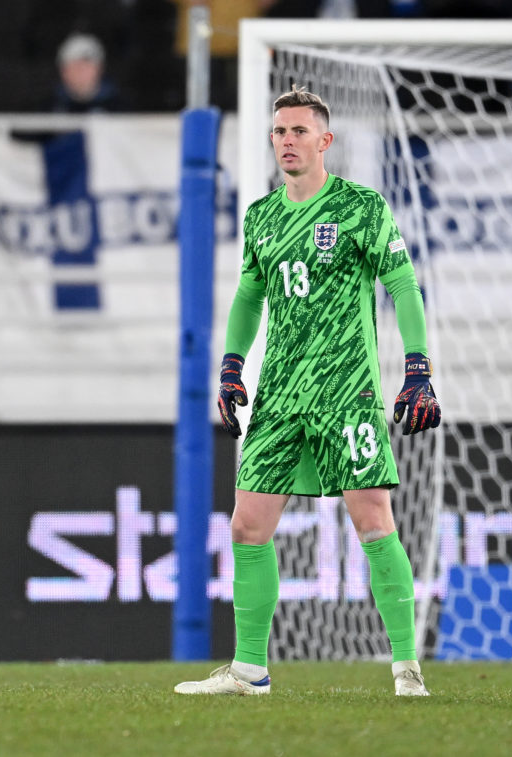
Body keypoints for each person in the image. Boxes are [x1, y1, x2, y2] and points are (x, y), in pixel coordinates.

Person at [174, 86, 441, 697]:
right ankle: (249, 671)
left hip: (346, 390)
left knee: (373, 520)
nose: (287, 141)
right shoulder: (262, 216)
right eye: (279, 132)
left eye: (299, 131)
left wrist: (418, 367)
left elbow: (403, 286)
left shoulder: (360, 207)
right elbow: (248, 298)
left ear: (324, 140)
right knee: (247, 527)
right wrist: (232, 367)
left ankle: (406, 668)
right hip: (280, 394)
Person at [52, 33, 124, 114]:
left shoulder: (121, 108)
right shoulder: (48, 109)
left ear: (100, 69)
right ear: (63, 71)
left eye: (87, 65)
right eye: (74, 65)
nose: (81, 71)